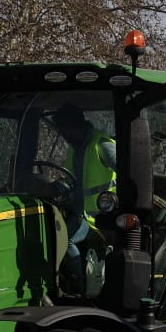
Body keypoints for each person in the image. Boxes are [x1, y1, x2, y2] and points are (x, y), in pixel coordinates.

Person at [50, 103, 117, 290]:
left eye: (64, 130)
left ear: (74, 126)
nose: (63, 136)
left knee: (65, 239)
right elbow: (76, 179)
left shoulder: (102, 145)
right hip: (78, 211)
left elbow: (129, 171)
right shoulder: (74, 148)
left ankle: (80, 284)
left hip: (98, 217)